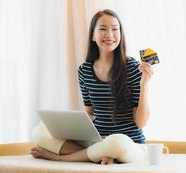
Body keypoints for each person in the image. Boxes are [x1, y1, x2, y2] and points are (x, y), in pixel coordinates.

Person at [30, 9, 153, 164]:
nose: (110, 34)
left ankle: (62, 158)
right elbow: (90, 112)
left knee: (116, 141)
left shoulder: (134, 68)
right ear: (93, 35)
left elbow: (140, 123)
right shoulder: (84, 71)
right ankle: (100, 155)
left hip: (129, 146)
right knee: (39, 133)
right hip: (98, 142)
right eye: (103, 29)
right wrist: (69, 128)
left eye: (115, 29)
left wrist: (144, 85)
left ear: (121, 35)